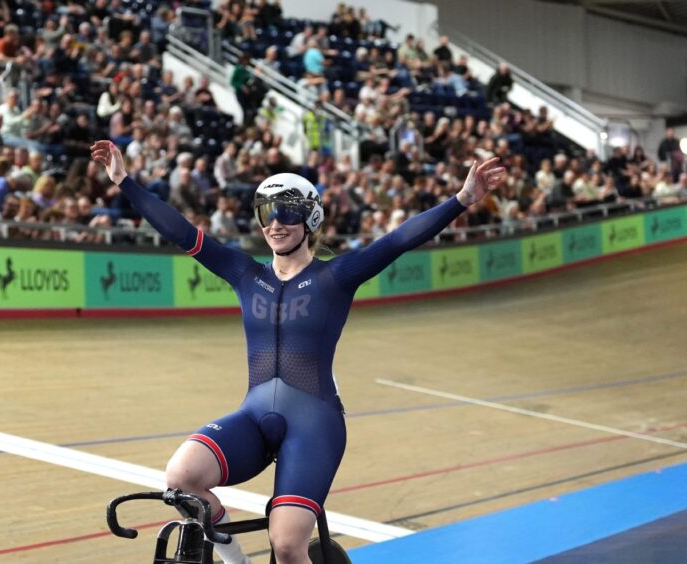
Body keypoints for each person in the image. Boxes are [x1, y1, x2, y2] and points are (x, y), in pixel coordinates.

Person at [91, 140, 504, 563]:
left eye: (287, 212)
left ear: (311, 218)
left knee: (288, 546)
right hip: (255, 415)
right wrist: (125, 182)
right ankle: (238, 562)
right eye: (267, 213)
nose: (275, 224)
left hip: (314, 424)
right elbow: (180, 231)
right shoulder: (244, 273)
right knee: (181, 478)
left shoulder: (337, 276)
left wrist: (462, 200)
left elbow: (398, 240)